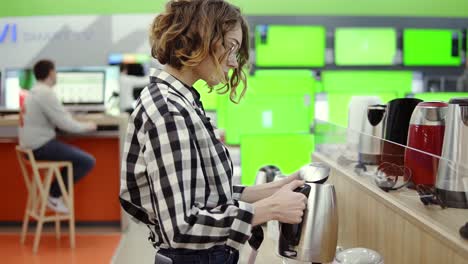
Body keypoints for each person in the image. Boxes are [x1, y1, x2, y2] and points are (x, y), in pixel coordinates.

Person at [119, 1, 307, 263]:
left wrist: (278, 187)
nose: (232, 61)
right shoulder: (169, 111)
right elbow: (182, 228)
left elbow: (208, 196)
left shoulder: (179, 100)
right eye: (230, 47)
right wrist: (269, 208)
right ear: (199, 37)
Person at [19, 59, 97, 214]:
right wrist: (88, 126)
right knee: (87, 161)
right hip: (40, 147)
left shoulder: (34, 91)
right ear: (50, 73)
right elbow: (66, 125)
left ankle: (52, 194)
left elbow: (57, 116)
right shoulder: (46, 93)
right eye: (55, 71)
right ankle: (53, 194)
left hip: (28, 148)